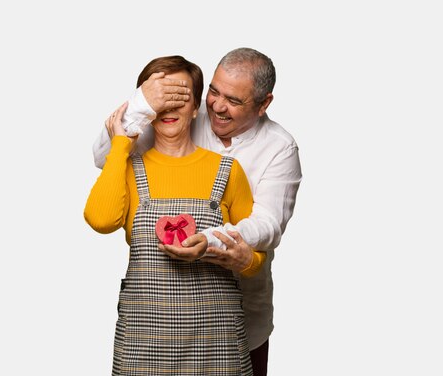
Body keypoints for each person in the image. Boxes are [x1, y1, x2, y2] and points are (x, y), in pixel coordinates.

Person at [92, 48, 302, 376]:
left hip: (231, 320)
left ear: (263, 104)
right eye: (213, 92)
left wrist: (211, 241)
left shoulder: (278, 148)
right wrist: (139, 104)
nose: (217, 106)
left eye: (233, 100)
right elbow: (106, 158)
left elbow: (268, 226)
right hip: (148, 331)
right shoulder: (174, 120)